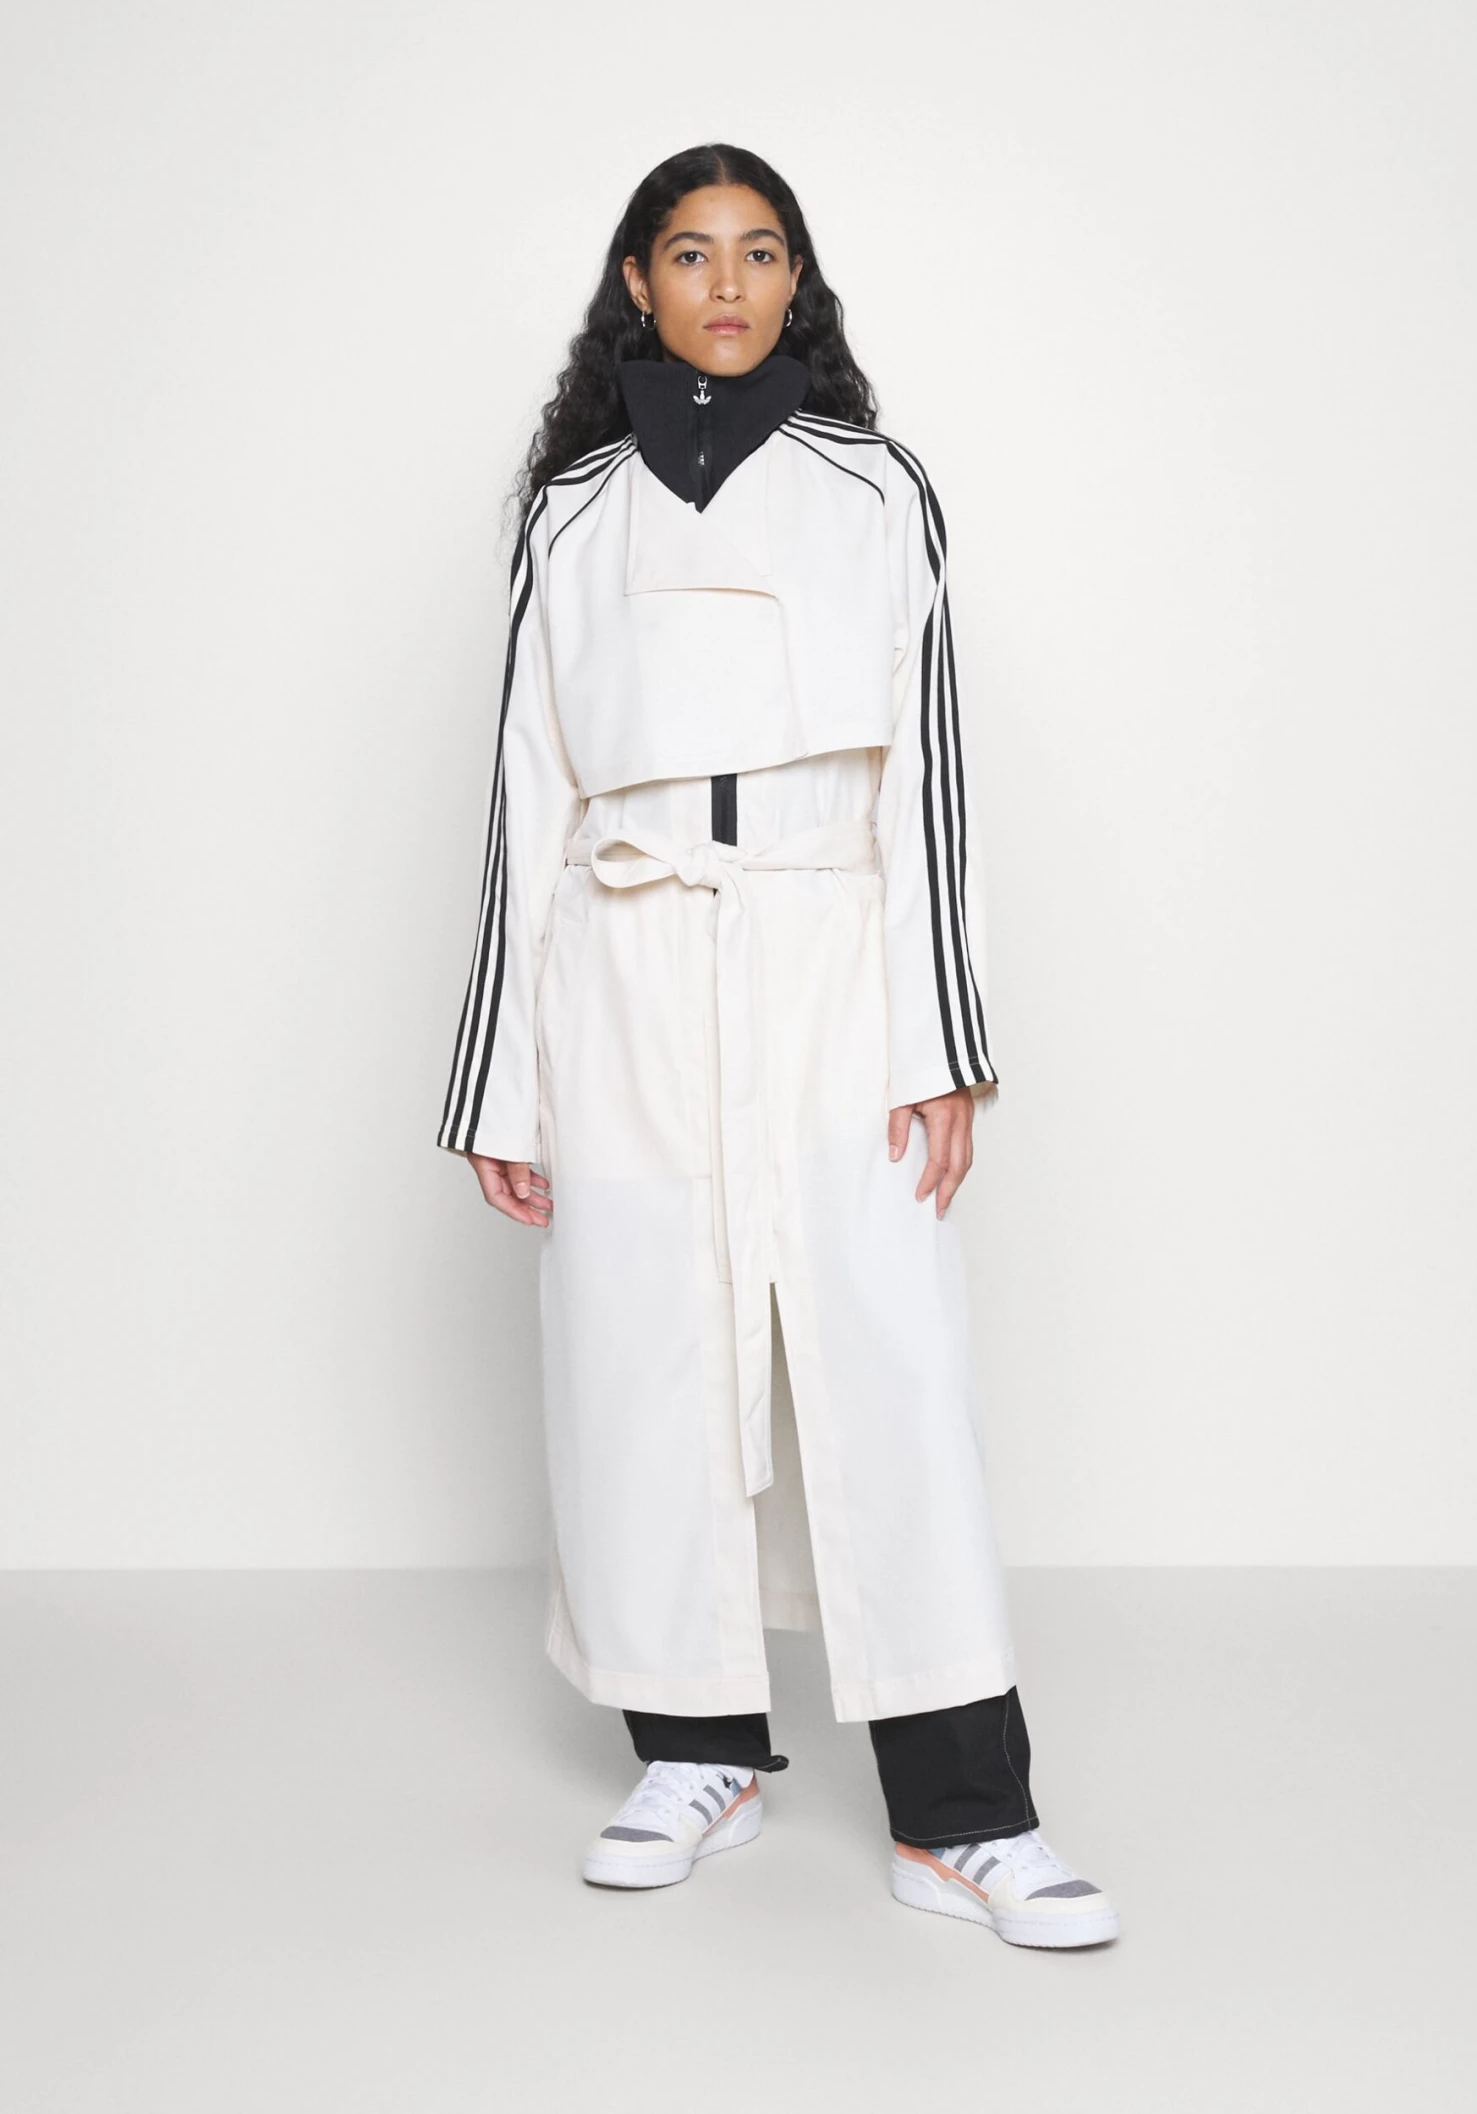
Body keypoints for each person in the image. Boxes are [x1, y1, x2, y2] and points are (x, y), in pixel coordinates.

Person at [438, 143, 1119, 1950]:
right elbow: (526, 797)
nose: (725, 284)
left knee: (885, 1362)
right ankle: (697, 1750)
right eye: (689, 253)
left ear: (797, 279)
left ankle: (964, 1812)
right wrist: (503, 1078)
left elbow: (929, 772)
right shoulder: (574, 513)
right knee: (640, 1351)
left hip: (828, 954)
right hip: (627, 966)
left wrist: (939, 1039)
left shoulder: (873, 487)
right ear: (638, 282)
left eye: (759, 252)